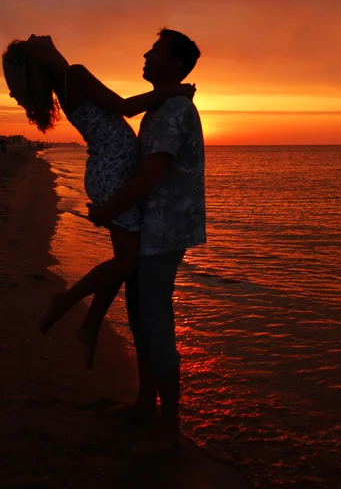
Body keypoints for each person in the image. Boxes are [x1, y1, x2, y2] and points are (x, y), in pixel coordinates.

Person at [2, 35, 195, 371]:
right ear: (36, 56)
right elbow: (124, 107)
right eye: (31, 41)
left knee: (124, 260)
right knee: (126, 262)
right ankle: (67, 301)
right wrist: (173, 92)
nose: (36, 35)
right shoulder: (73, 74)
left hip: (109, 170)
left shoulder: (65, 79)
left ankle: (90, 326)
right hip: (113, 172)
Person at [87, 28, 206, 451]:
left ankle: (168, 425)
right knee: (140, 316)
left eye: (154, 49)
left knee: (155, 323)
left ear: (173, 62)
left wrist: (108, 209)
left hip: (162, 231)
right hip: (149, 229)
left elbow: (150, 173)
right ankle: (144, 404)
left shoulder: (173, 109)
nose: (145, 53)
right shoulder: (163, 105)